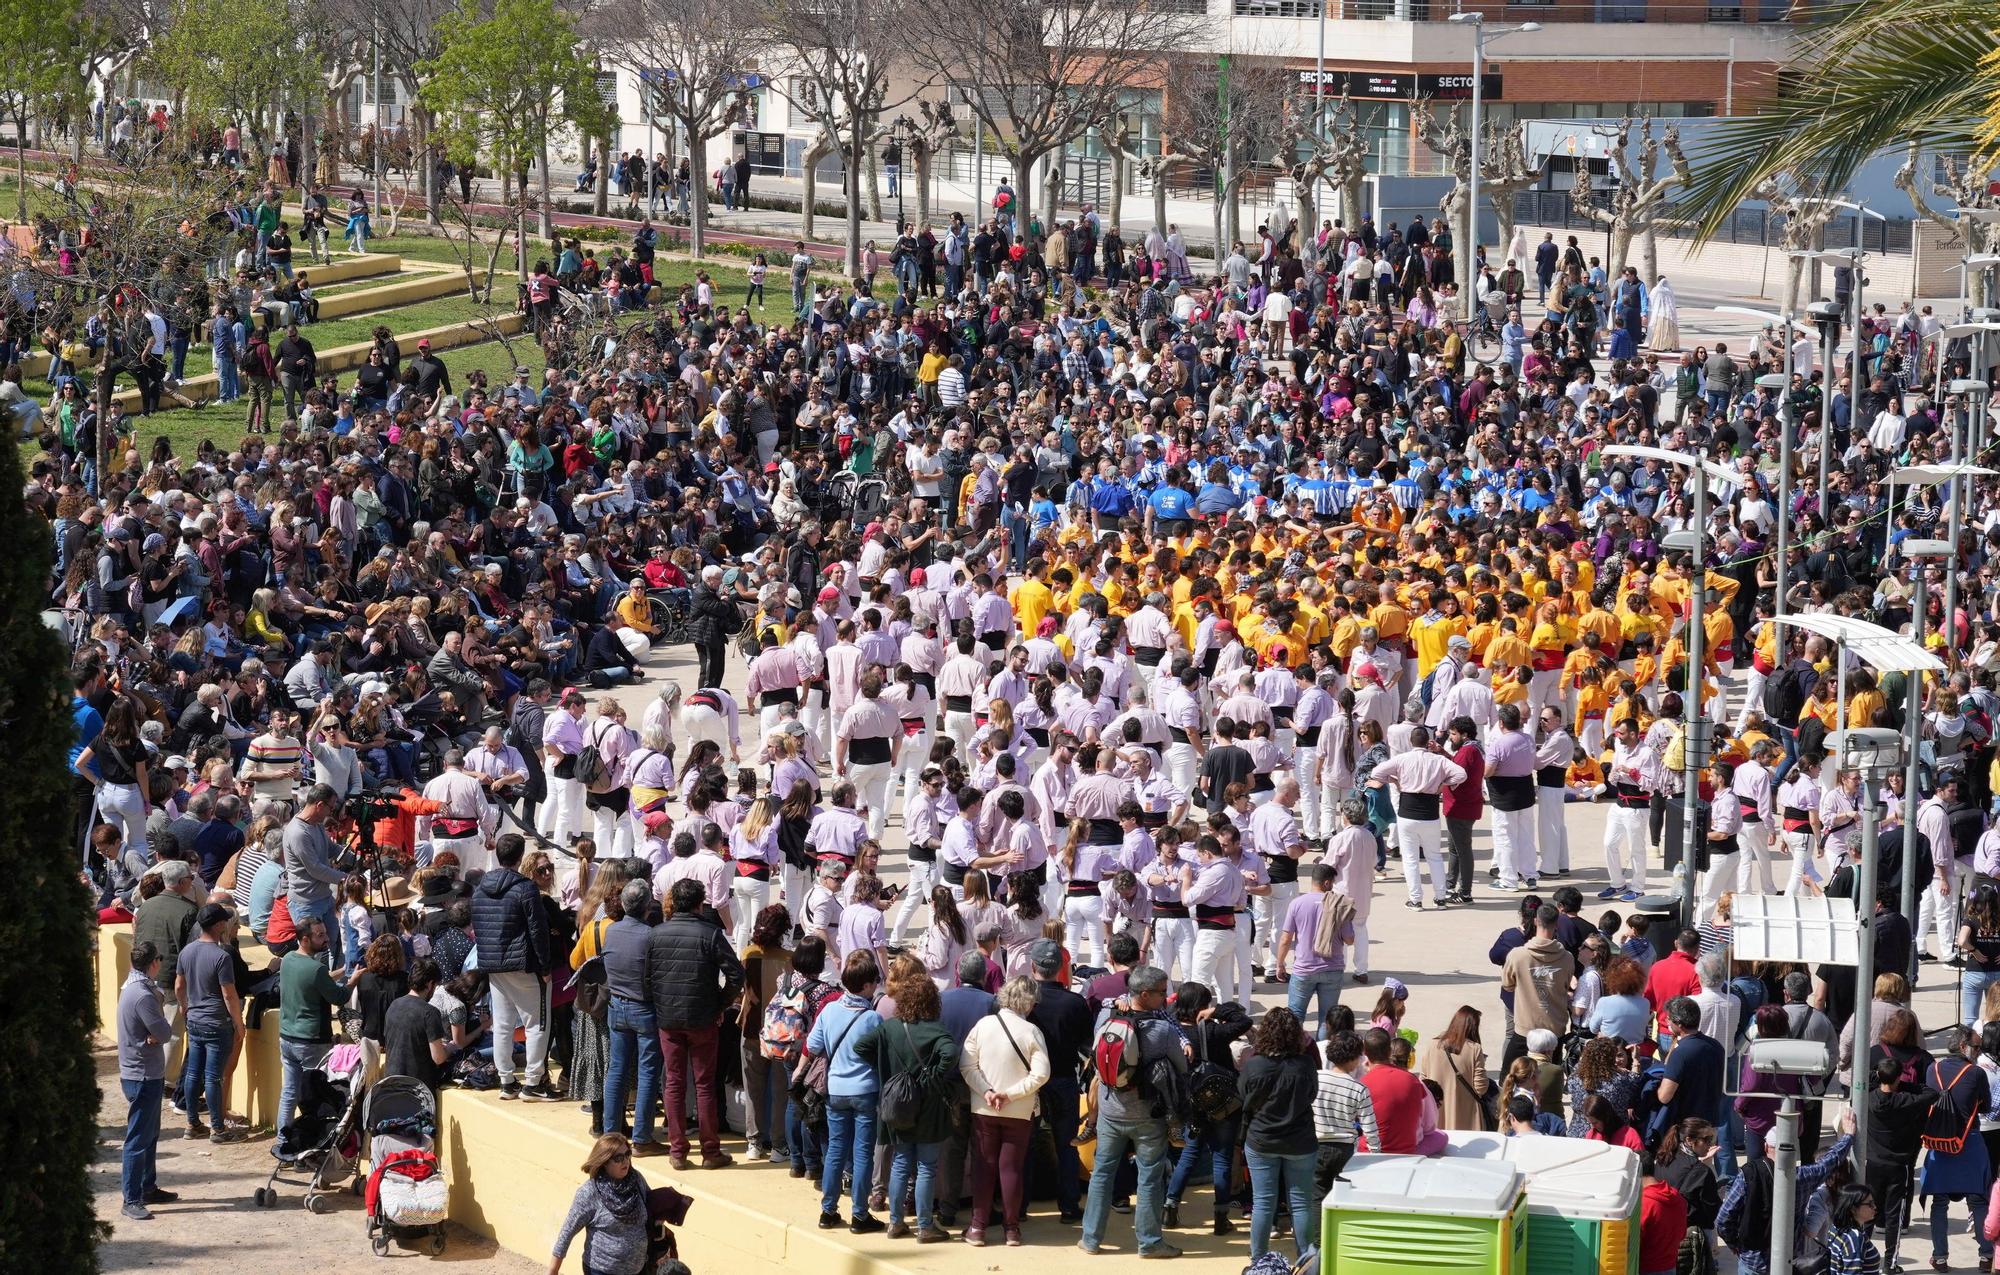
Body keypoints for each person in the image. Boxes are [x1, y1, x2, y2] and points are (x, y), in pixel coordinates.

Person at [1080, 964, 1188, 1259]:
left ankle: (1090, 1238)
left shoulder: (1107, 1017)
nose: (1165, 998)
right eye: (1161, 993)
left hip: (1110, 1111)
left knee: (1102, 1173)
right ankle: (1150, 1242)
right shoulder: (1162, 1030)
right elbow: (1181, 1066)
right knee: (1150, 1178)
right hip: (1147, 1116)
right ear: (1144, 994)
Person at [644, 877, 745, 1170]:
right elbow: (737, 975)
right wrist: (720, 1005)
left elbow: (647, 980)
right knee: (703, 1085)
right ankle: (710, 1150)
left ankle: (678, 1150)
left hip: (669, 1019)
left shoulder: (656, 934)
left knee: (674, 1083)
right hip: (702, 1018)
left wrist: (661, 1004)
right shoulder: (710, 934)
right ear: (701, 904)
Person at [853, 964, 958, 1242]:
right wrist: (932, 1078)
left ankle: (896, 1222)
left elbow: (860, 1046)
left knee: (900, 1162)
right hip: (928, 1108)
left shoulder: (889, 1028)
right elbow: (950, 1054)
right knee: (926, 1166)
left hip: (897, 1104)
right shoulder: (936, 1031)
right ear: (931, 1001)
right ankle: (924, 1225)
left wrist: (885, 1071)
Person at [957, 973, 1050, 1246]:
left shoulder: (984, 1025)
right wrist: (1009, 1095)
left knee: (983, 1168)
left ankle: (977, 1228)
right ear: (1029, 1003)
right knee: (1011, 1169)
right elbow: (1041, 1075)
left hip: (984, 1108)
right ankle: (1012, 1230)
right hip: (1019, 1112)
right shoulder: (1032, 1031)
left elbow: (966, 1066)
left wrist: (987, 1092)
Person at [804, 949, 885, 1233]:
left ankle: (828, 1210)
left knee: (836, 1151)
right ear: (864, 985)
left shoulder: (829, 1011)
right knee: (862, 1153)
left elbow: (813, 1046)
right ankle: (859, 1214)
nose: (877, 985)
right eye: (874, 981)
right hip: (864, 1091)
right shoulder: (872, 1019)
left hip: (835, 1090)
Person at [475, 831, 556, 1100]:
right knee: (536, 1023)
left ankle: (506, 1081)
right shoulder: (525, 888)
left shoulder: (480, 888)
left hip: (494, 964)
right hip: (523, 964)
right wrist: (545, 967)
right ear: (520, 857)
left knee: (504, 1023)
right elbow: (538, 930)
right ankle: (533, 1082)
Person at [1240, 1006, 1321, 1262]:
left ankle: (1258, 1260)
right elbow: (1311, 1096)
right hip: (1300, 1141)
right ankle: (1306, 1259)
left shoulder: (1254, 1065)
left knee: (1263, 1202)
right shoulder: (1306, 1063)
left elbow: (1244, 1097)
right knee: (1301, 1202)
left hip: (1262, 1140)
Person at [275, 915, 352, 1141]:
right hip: (310, 1041)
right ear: (305, 939)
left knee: (290, 1092)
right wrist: (354, 979)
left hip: (288, 1037)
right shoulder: (315, 969)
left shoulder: (288, 959)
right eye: (320, 935)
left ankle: (284, 1140)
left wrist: (342, 973)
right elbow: (338, 996)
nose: (326, 938)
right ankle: (308, 1142)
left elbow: (317, 980)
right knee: (313, 1097)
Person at [117, 940, 177, 1220]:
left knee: (149, 1136)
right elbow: (164, 1033)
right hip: (143, 1075)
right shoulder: (143, 995)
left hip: (141, 1072)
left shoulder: (134, 988)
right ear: (153, 963)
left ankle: (147, 1188)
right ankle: (131, 1198)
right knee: (138, 1139)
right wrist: (158, 1029)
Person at [176, 901, 246, 1142]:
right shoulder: (221, 955)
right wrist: (238, 1023)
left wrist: (186, 1009)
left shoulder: (187, 951)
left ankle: (193, 1123)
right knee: (213, 1076)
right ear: (218, 925)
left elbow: (179, 987)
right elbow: (229, 994)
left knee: (194, 1073)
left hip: (195, 1020)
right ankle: (218, 1128)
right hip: (217, 1023)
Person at [548, 1133, 655, 1275]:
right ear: (604, 1162)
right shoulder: (589, 1192)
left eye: (627, 1154)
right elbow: (567, 1232)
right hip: (601, 1270)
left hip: (639, 1269)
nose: (626, 1161)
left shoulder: (637, 1180)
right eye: (618, 1158)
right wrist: (553, 1271)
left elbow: (652, 1208)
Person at [1419, 1005, 1493, 1132]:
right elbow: (1480, 1088)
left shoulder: (1432, 1044)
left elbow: (1423, 1079)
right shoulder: (1474, 1049)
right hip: (1467, 1115)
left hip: (1437, 1111)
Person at [1638, 1150, 1690, 1275]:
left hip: (1646, 1268)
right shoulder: (1676, 1196)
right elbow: (1682, 1233)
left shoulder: (1645, 1202)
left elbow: (1634, 1242)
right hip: (1670, 1265)